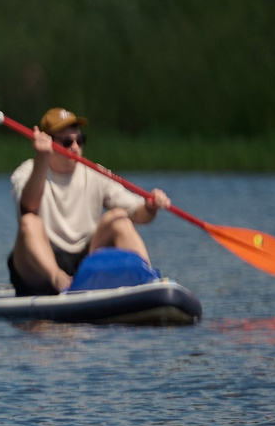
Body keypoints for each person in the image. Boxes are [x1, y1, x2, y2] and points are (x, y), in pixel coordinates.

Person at [9, 107, 170, 295]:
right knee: (29, 222)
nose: (76, 147)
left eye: (80, 140)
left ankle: (147, 279)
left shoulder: (95, 173)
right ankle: (58, 279)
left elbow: (137, 213)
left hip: (85, 260)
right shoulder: (28, 171)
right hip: (39, 265)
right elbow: (29, 205)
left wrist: (150, 207)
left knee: (119, 218)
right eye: (67, 142)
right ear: (48, 143)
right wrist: (42, 158)